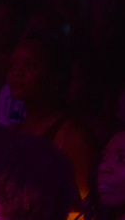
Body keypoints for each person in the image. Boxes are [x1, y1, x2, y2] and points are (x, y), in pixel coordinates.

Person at [7, 35, 99, 204]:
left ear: (54, 75)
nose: (17, 73)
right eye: (12, 65)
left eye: (30, 65)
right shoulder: (13, 132)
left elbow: (87, 208)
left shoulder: (75, 138)